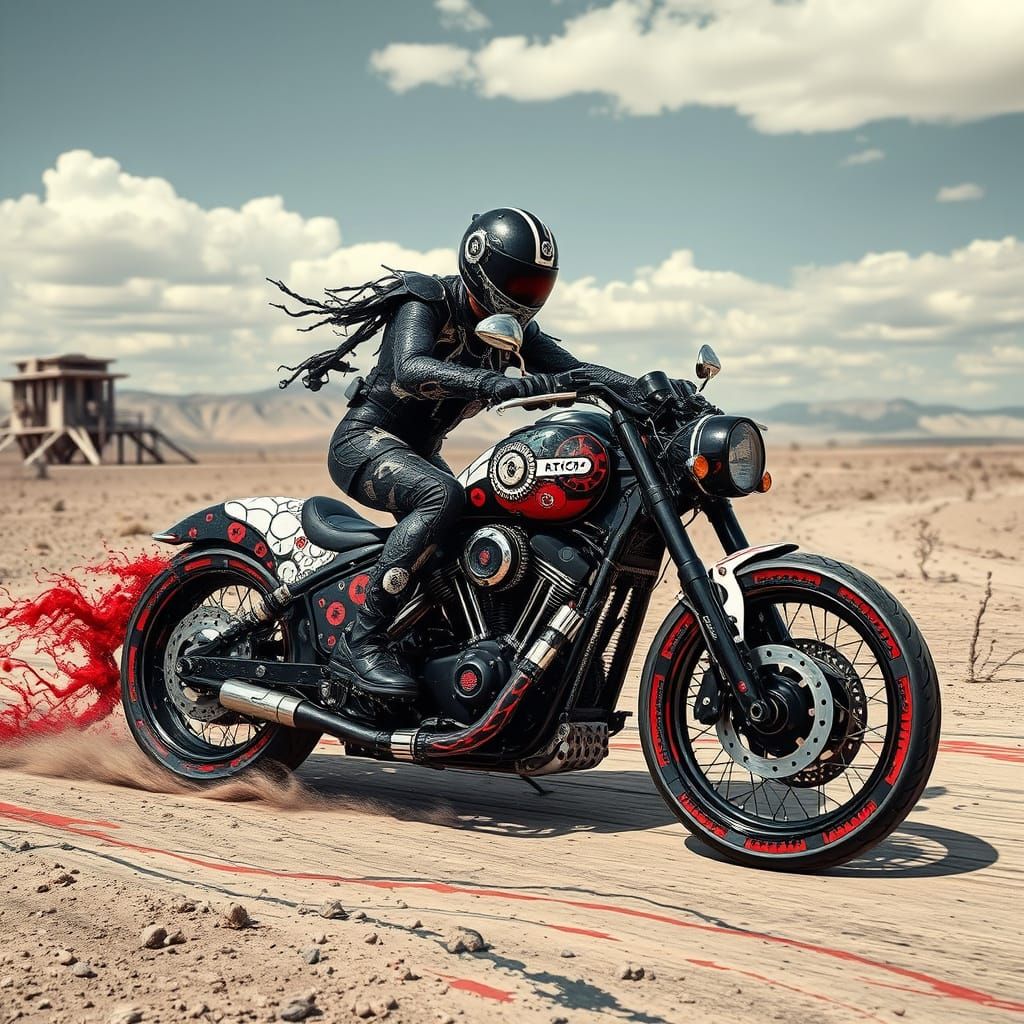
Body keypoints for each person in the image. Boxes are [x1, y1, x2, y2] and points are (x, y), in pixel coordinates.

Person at [272, 208, 636, 700]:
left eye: (538, 287)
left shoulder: (511, 331)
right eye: (519, 282)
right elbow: (408, 368)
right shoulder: (427, 300)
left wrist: (650, 390)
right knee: (441, 496)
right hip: (365, 443)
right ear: (481, 266)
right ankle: (360, 642)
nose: (528, 298)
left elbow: (578, 373)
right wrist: (498, 383)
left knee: (483, 521)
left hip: (417, 453)